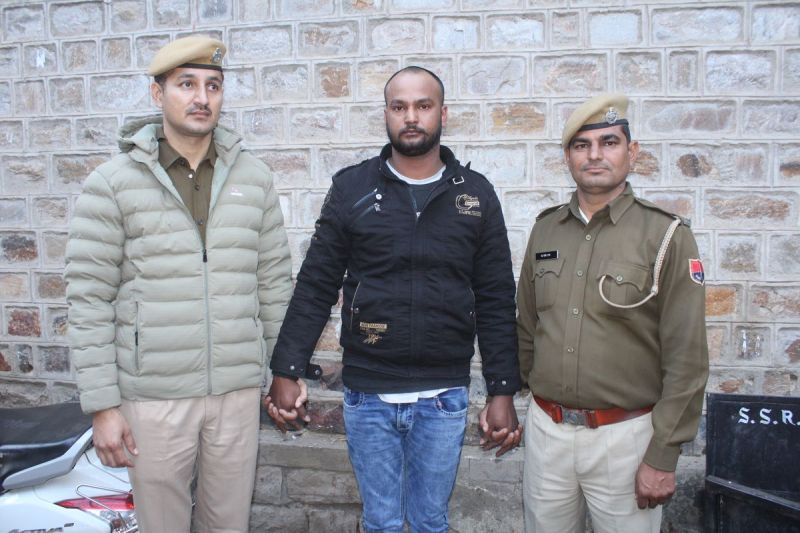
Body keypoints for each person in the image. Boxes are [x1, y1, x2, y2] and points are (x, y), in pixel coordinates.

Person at [264, 66, 522, 533]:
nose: (411, 117)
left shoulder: (475, 195)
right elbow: (316, 283)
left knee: (430, 523)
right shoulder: (352, 188)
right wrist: (286, 369)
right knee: (380, 523)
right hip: (368, 393)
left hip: (443, 396)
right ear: (386, 114)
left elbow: (496, 297)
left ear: (443, 114)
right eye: (399, 106)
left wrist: (502, 389)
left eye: (423, 106)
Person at [64, 36, 293, 532]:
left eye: (213, 86)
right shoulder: (113, 183)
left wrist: (285, 370)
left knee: (228, 524)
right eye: (186, 84)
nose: (201, 98)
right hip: (153, 397)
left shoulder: (254, 178)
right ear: (158, 93)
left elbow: (274, 283)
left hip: (235, 393)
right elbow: (89, 299)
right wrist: (103, 407)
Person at [517, 93, 709, 533]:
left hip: (625, 440)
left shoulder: (666, 235)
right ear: (568, 156)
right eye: (581, 145)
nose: (595, 155)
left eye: (609, 142)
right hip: (547, 433)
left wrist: (663, 455)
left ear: (632, 151)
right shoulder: (546, 229)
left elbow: (687, 357)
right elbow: (527, 326)